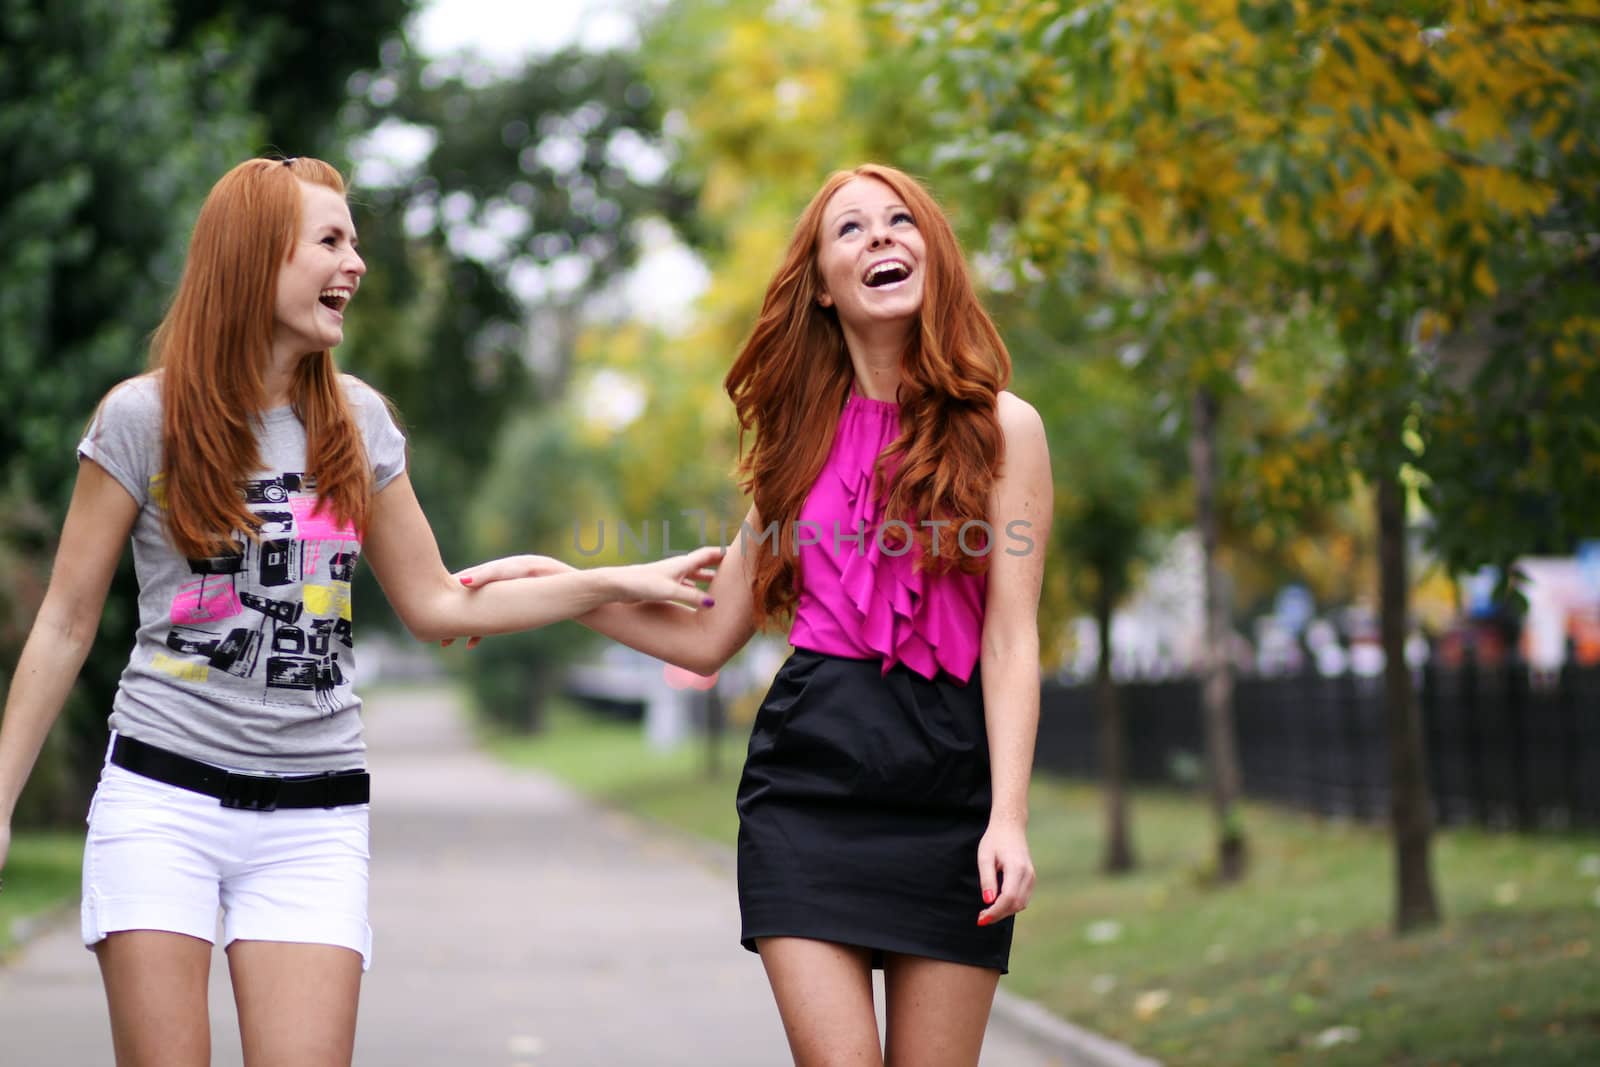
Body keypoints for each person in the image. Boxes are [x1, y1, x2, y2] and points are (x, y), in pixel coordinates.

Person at [0, 155, 719, 1067]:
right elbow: (65, 622)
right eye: (331, 241)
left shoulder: (359, 422)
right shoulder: (143, 420)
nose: (357, 265)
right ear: (258, 259)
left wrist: (613, 581)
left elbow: (437, 602)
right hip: (161, 796)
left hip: (314, 812)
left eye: (356, 242)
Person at [455, 163, 1052, 1067]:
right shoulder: (798, 449)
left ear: (935, 253)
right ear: (819, 284)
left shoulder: (1007, 430)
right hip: (806, 788)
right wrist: (564, 581)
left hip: (949, 792)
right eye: (850, 230)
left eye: (900, 221)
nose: (882, 237)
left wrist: (1007, 816)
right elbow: (705, 633)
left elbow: (1011, 640)